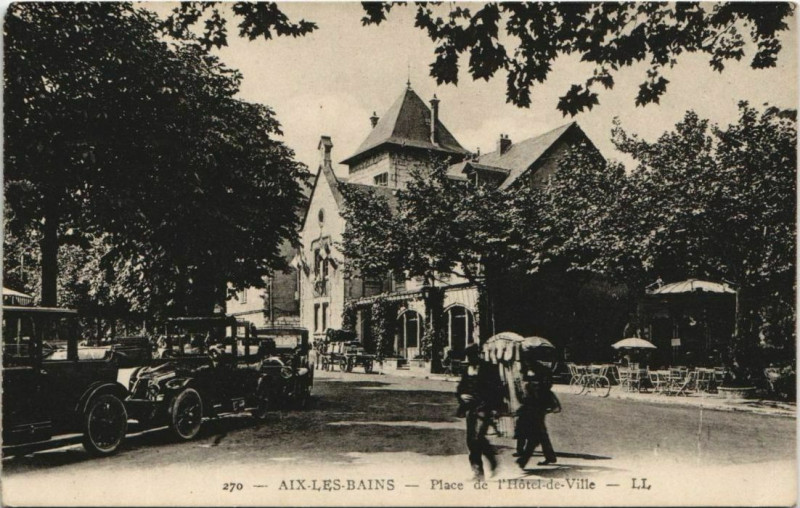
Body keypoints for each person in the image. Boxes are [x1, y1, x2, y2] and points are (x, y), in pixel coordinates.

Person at [456, 343, 502, 480]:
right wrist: (462, 396)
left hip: (484, 407)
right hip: (470, 409)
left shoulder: (488, 368)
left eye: (473, 355)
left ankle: (491, 462)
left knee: (478, 438)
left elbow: (497, 388)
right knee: (471, 441)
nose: (470, 358)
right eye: (468, 356)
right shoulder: (467, 370)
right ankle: (478, 472)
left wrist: (495, 407)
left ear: (478, 354)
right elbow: (460, 388)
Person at [515, 348, 558, 468]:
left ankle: (523, 458)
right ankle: (549, 456)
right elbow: (523, 385)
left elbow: (548, 384)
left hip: (539, 403)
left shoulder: (542, 369)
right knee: (537, 431)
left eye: (527, 359)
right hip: (528, 403)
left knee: (535, 431)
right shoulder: (525, 369)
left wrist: (537, 386)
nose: (526, 362)